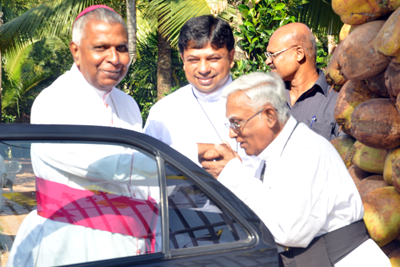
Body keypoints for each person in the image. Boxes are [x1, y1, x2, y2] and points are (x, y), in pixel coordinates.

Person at [7, 6, 159, 267]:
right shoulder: (55, 101)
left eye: (122, 48)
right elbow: (103, 165)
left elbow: (141, 183)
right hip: (72, 242)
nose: (115, 58)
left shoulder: (129, 104)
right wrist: (185, 160)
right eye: (101, 47)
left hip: (131, 242)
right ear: (76, 51)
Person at [201, 72, 391, 267]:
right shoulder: (272, 157)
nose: (232, 133)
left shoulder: (307, 151)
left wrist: (236, 176)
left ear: (269, 116)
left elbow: (290, 231)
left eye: (237, 123)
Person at [144, 15, 261, 178]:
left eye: (213, 58)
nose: (203, 69)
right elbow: (145, 172)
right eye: (193, 60)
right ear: (183, 60)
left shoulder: (258, 106)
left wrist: (234, 171)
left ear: (231, 57)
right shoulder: (163, 111)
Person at [265, 22, 339, 141]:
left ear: (299, 53)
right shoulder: (267, 95)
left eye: (273, 55)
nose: (268, 61)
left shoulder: (337, 101)